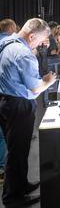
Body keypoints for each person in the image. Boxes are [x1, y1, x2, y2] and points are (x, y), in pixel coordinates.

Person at [0, 18, 57, 208]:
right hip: (19, 105)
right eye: (39, 40)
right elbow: (35, 88)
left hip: (5, 102)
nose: (41, 44)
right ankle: (12, 197)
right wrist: (48, 81)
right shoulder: (24, 54)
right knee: (18, 151)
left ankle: (21, 186)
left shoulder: (6, 42)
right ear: (31, 35)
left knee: (17, 149)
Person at [0, 19, 16, 183]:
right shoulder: (9, 44)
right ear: (11, 28)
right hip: (6, 95)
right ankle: (5, 172)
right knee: (6, 138)